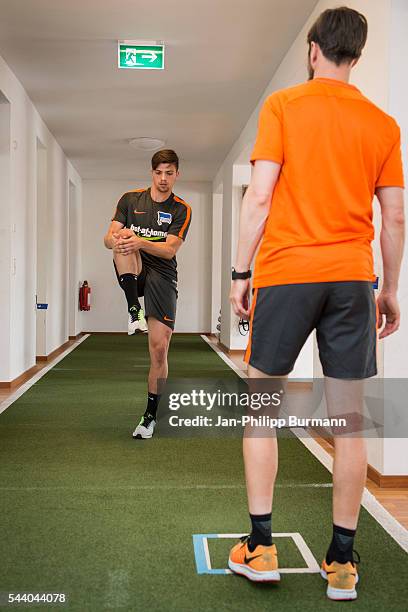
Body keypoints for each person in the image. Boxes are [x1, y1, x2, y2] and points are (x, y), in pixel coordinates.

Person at [229, 6, 404, 601]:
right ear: (354, 55)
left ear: (313, 51)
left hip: (286, 275)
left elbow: (259, 197)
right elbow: (396, 216)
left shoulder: (283, 106)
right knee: (349, 421)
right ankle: (343, 562)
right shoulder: (382, 124)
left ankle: (260, 546)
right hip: (353, 280)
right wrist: (389, 288)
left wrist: (240, 272)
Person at [103, 149, 192, 439]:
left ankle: (150, 416)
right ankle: (133, 311)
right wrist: (118, 238)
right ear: (151, 173)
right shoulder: (131, 199)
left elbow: (169, 250)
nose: (163, 179)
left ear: (177, 174)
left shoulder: (181, 209)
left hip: (163, 275)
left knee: (158, 349)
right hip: (134, 265)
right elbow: (108, 238)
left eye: (169, 173)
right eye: (158, 173)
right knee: (122, 242)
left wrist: (139, 240)